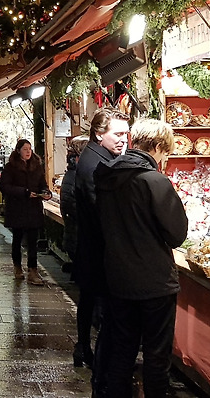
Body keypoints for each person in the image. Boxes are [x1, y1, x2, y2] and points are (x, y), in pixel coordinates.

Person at [93, 119, 187, 398]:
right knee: (157, 354)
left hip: (118, 277)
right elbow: (176, 234)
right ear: (157, 147)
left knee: (123, 349)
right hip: (154, 281)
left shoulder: (107, 176)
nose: (164, 158)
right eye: (165, 152)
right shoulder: (155, 181)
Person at [72, 109, 130, 369]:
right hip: (100, 249)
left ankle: (83, 347)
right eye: (117, 134)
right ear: (98, 134)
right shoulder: (98, 165)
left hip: (92, 246)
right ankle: (103, 362)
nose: (123, 140)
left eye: (125, 134)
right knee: (105, 307)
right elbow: (104, 211)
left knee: (88, 300)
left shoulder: (95, 157)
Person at [0, 139, 52, 285]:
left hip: (33, 208)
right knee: (17, 239)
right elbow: (5, 187)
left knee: (33, 241)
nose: (28, 151)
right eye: (25, 149)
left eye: (29, 148)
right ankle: (17, 266)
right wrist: (24, 192)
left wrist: (45, 192)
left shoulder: (37, 166)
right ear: (18, 151)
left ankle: (33, 270)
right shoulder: (10, 167)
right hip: (17, 208)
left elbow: (42, 184)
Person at [59, 135, 90, 272]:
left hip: (75, 236)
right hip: (78, 236)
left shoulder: (73, 173)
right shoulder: (76, 175)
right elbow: (71, 205)